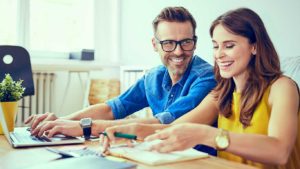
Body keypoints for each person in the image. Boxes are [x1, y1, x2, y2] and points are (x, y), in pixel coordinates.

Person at [102, 8, 299, 169]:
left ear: (254, 46)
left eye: (229, 46)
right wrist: (128, 130)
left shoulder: (282, 88)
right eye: (215, 46)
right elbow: (173, 128)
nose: (219, 55)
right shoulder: (222, 93)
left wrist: (207, 135)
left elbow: (279, 151)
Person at [25, 7, 216, 142]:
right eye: (168, 43)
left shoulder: (206, 77)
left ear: (195, 42)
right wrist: (62, 121)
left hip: (195, 159)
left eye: (186, 42)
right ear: (154, 44)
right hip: (160, 153)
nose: (178, 51)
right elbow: (112, 108)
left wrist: (86, 126)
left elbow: (166, 121)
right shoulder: (153, 77)